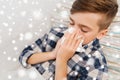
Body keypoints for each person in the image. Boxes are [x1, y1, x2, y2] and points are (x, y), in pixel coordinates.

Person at [19, 0, 118, 80]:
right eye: (71, 23)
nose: (73, 31)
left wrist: (62, 59)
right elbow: (24, 56)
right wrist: (53, 54)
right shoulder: (55, 33)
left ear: (101, 34)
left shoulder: (95, 65)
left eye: (84, 30)